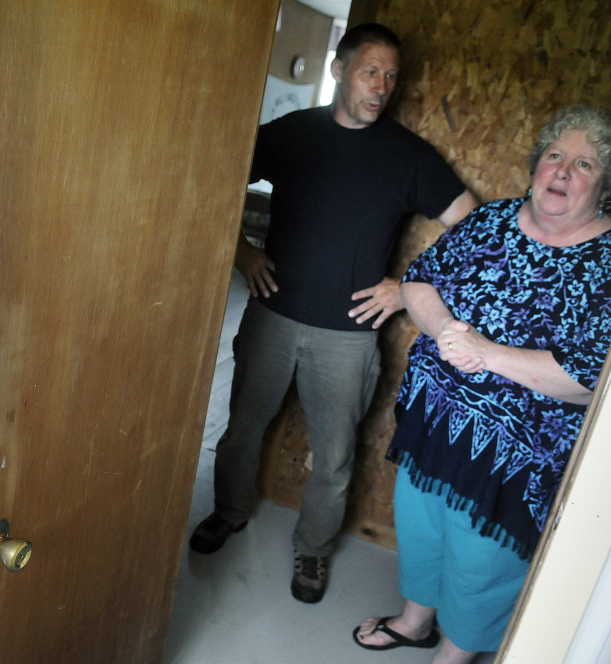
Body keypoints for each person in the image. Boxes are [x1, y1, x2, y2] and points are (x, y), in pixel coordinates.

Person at [188, 22, 478, 606]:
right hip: (272, 316)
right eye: (371, 71)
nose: (382, 86)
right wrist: (242, 253)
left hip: (349, 338)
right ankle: (229, 511)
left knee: (336, 453)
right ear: (340, 69)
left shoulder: (407, 156)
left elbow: (474, 225)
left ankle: (313, 551)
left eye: (392, 76)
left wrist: (408, 287)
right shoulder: (293, 135)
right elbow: (209, 182)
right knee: (242, 427)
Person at [352, 105, 611, 662]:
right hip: (436, 422)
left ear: (604, 186)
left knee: (483, 558)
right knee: (420, 526)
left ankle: (454, 655)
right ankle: (415, 622)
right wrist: (446, 333)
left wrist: (485, 355)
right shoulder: (493, 220)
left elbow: (590, 378)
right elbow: (419, 282)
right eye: (554, 156)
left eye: (582, 164)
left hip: (515, 456)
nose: (561, 171)